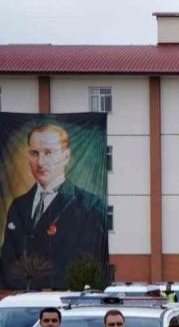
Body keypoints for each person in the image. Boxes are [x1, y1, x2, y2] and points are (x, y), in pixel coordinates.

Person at [0, 123, 108, 289]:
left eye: (49, 153)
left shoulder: (90, 207)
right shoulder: (18, 206)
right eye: (34, 153)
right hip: (22, 300)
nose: (41, 162)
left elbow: (90, 262)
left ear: (66, 156)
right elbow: (8, 260)